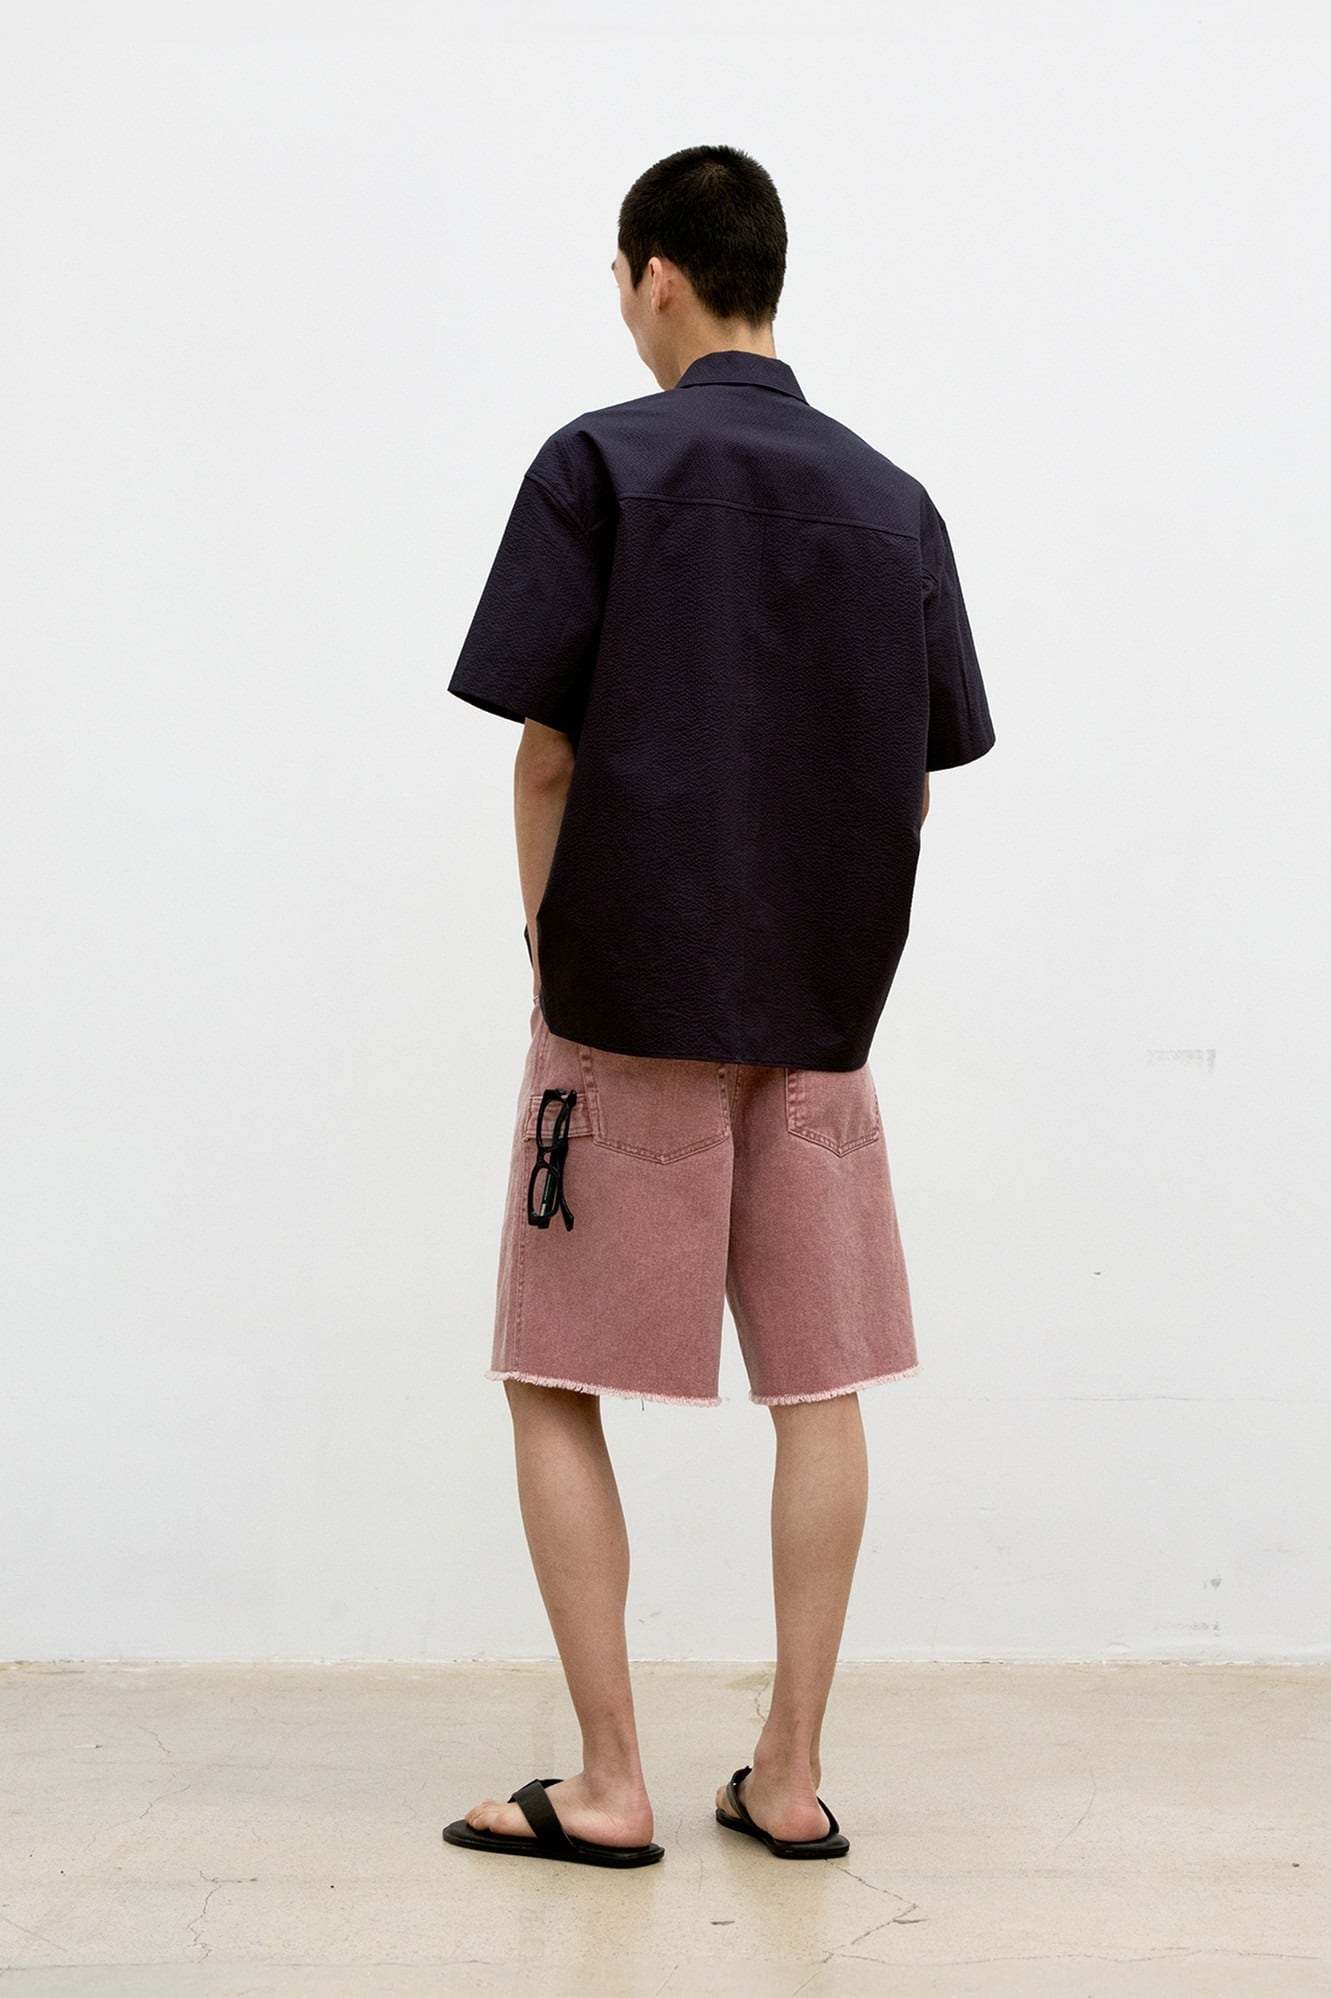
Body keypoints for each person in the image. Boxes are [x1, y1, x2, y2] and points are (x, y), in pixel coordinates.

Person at [440, 145, 996, 1869]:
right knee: (820, 1389)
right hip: (817, 1025)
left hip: (626, 1006)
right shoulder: (894, 501)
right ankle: (791, 1772)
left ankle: (611, 1782)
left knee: (553, 1374)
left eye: (622, 280)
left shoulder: (600, 462)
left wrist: (551, 951)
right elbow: (912, 786)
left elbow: (547, 757)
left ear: (659, 273)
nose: (623, 307)